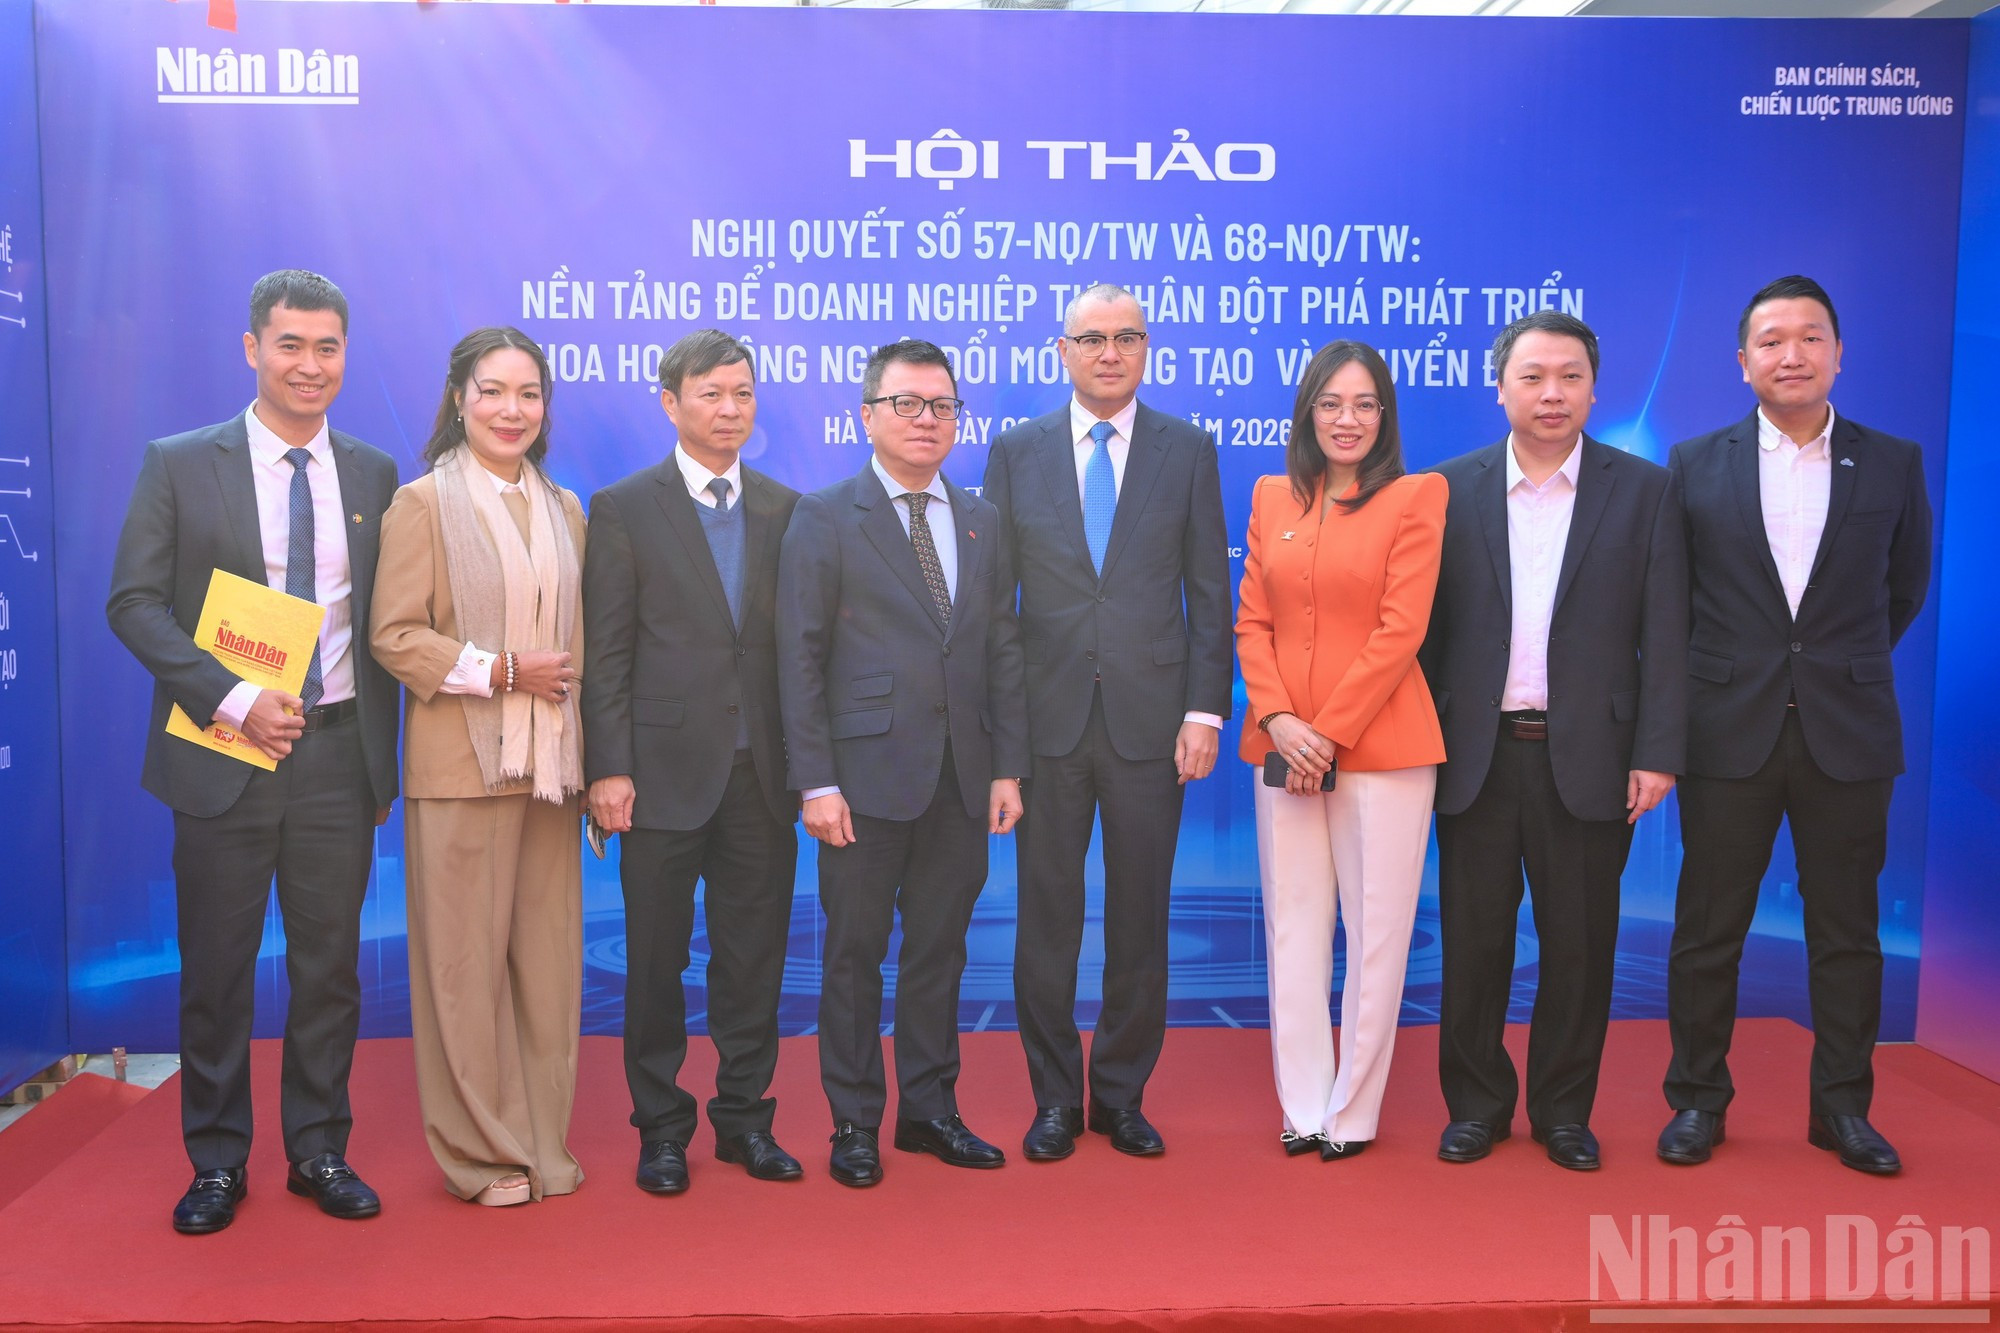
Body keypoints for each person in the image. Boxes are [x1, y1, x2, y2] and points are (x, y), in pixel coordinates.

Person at [107, 269, 399, 1233]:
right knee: (220, 967)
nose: (309, 364)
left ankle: (319, 1148)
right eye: (290, 344)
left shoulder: (371, 472)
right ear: (251, 349)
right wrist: (234, 699)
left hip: (337, 756)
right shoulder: (180, 462)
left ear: (344, 356)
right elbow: (134, 604)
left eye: (327, 347)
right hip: (222, 751)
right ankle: (218, 1161)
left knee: (330, 969)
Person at [1658, 277, 1932, 1175]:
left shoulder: (1892, 461)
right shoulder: (1695, 464)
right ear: (1742, 364)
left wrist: (1825, 669)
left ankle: (1842, 1110)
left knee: (1847, 931)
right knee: (1709, 929)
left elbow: (1903, 590)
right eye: (1771, 341)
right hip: (1725, 729)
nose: (1792, 354)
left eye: (1810, 337)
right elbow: (1674, 602)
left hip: (1844, 732)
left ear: (1839, 353)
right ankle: (1698, 1100)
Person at [1423, 311, 1687, 1171]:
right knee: (1473, 941)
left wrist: (1656, 750)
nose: (1551, 393)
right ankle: (1476, 1105)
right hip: (1475, 755)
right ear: (1499, 386)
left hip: (1594, 757)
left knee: (1580, 946)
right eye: (1532, 376)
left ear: (1593, 389)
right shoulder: (1447, 489)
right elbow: (1418, 636)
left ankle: (1564, 1110)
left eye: (1569, 376)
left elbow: (1669, 633)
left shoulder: (1643, 491)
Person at [982, 284, 1231, 1161]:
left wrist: (1204, 710)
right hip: (1046, 730)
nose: (1110, 353)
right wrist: (1002, 743)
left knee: (1140, 918)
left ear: (1147, 348)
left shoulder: (1187, 449)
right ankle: (1054, 1099)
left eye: (1127, 337)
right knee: (1045, 920)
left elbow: (1208, 592)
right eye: (1092, 339)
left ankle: (1121, 1095)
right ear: (1063, 351)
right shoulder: (1014, 452)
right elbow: (995, 609)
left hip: (1151, 726)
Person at [777, 339, 1029, 1187]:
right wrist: (815, 779)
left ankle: (929, 1110)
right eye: (909, 404)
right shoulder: (823, 514)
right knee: (853, 953)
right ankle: (855, 1121)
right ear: (867, 416)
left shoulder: (981, 516)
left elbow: (999, 645)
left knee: (940, 950)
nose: (928, 420)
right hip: (861, 780)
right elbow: (799, 657)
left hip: (962, 777)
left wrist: (1006, 766)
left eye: (943, 406)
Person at [583, 330, 804, 1195]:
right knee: (655, 962)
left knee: (754, 958)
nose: (729, 409)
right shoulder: (625, 506)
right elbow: (605, 652)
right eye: (711, 393)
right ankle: (661, 1129)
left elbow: (800, 651)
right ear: (670, 402)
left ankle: (747, 1120)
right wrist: (609, 766)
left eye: (743, 393)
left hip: (763, 777)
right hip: (659, 775)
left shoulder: (790, 509)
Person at [370, 327, 587, 1206]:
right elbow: (394, 635)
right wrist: (499, 670)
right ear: (459, 396)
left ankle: (542, 1142)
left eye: (529, 393)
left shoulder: (567, 506)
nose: (512, 410)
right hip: (460, 767)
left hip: (551, 774)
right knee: (462, 972)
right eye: (493, 391)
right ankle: (480, 1154)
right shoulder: (421, 503)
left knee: (547, 969)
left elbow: (582, 650)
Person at [1234, 341, 1446, 1159]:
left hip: (1383, 749)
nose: (1346, 419)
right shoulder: (1271, 495)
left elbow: (1403, 628)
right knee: (1293, 925)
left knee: (1378, 930)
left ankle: (1353, 1110)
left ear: (1384, 415)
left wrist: (1327, 730)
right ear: (1308, 413)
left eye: (1363, 404)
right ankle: (1304, 1106)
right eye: (1330, 403)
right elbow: (1253, 619)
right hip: (1283, 744)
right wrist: (1281, 717)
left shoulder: (1417, 496)